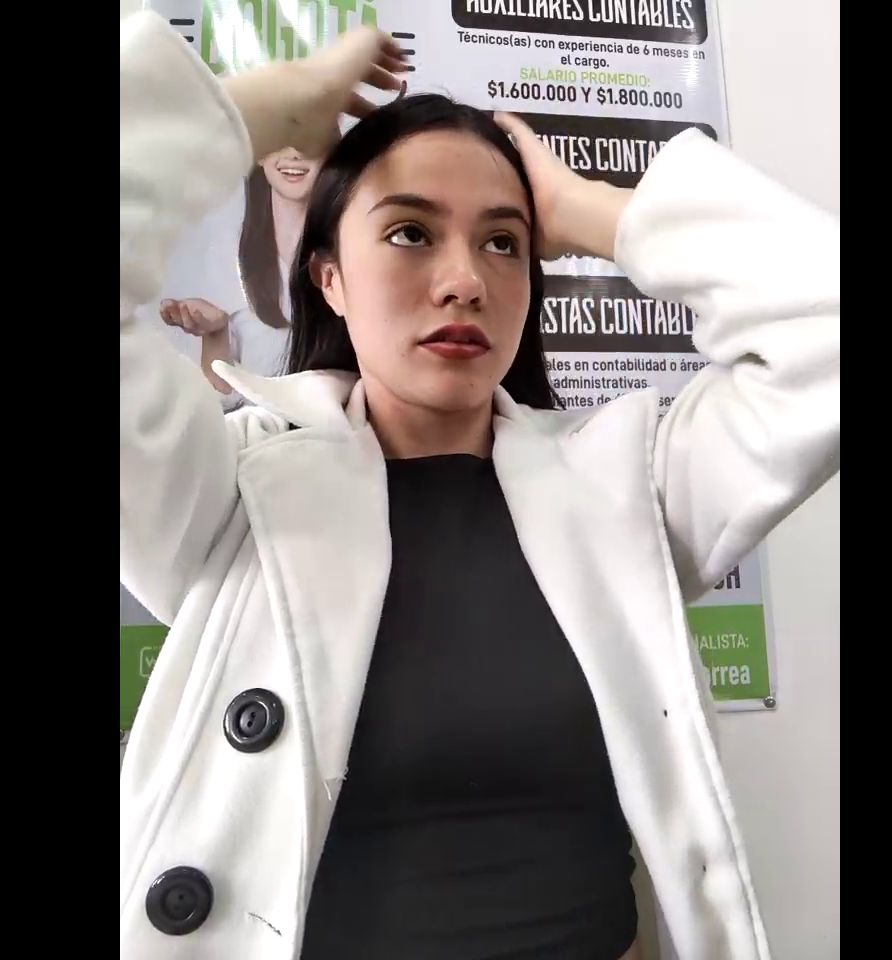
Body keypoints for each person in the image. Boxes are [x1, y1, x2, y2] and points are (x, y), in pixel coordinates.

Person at [119, 11, 839, 960]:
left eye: (504, 243)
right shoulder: (231, 494)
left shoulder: (629, 485)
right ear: (329, 279)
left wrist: (596, 213)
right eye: (410, 231)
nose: (465, 280)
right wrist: (255, 113)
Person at [158, 146, 323, 406]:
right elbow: (223, 395)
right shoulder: (228, 253)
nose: (294, 153)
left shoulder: (353, 247)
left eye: (307, 139)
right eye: (281, 138)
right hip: (258, 426)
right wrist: (215, 332)